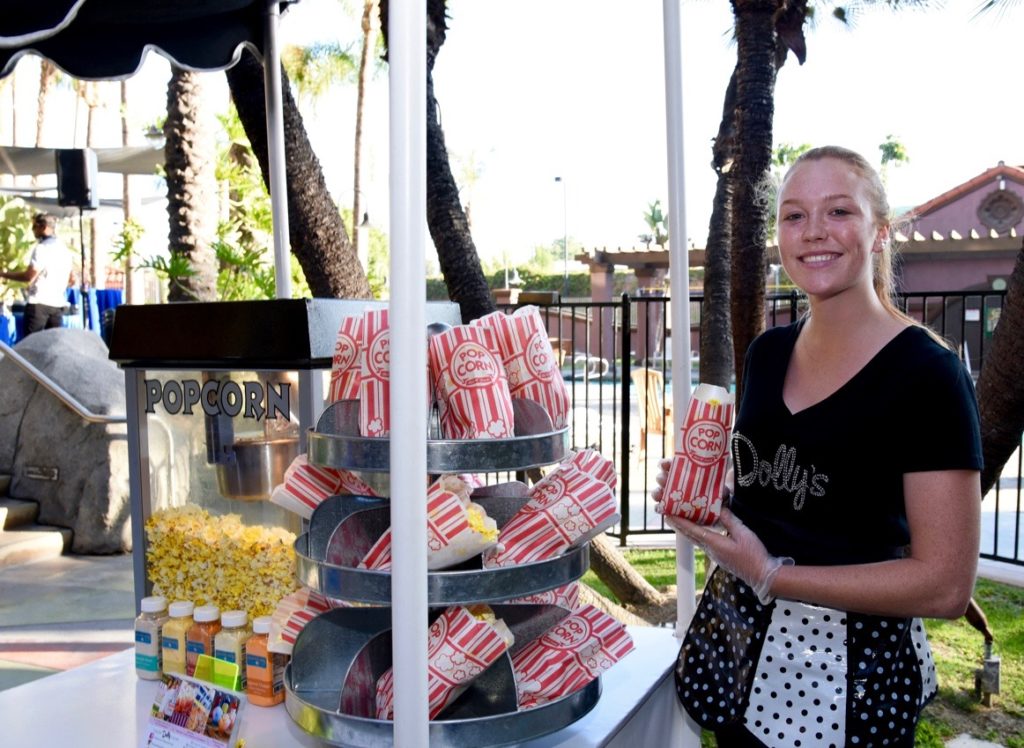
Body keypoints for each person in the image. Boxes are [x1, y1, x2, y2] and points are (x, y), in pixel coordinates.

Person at [655, 146, 982, 747]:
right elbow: (788, 485)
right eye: (794, 215)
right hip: (737, 650)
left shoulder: (927, 374)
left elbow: (945, 585)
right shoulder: (767, 353)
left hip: (850, 679)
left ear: (879, 232)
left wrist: (770, 574)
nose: (813, 233)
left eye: (838, 211)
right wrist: (711, 493)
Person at [0, 212, 74, 336]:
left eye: (35, 227)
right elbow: (71, 279)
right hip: (57, 305)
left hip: (39, 304)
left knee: (31, 344)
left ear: (43, 227)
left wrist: (4, 274)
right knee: (53, 344)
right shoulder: (64, 249)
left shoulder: (42, 248)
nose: (33, 230)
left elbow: (29, 276)